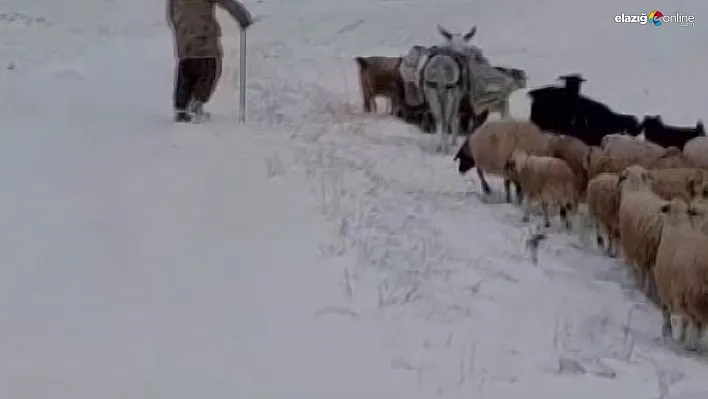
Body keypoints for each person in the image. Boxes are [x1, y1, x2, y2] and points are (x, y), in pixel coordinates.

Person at [167, 0, 253, 122]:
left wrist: (179, 27)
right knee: (210, 68)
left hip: (184, 33)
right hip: (203, 33)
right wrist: (242, 17)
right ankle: (196, 103)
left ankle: (182, 107)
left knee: (187, 67)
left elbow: (170, 12)